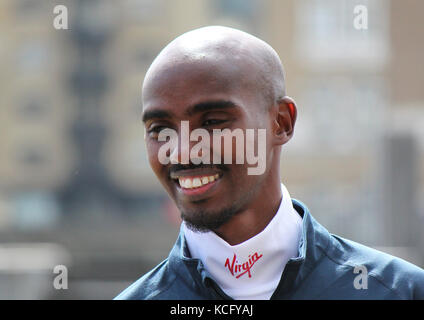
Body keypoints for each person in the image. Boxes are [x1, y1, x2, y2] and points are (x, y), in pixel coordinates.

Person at [115, 26, 424, 300]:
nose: (182, 152)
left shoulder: (400, 291)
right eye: (160, 129)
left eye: (212, 122)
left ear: (282, 123)